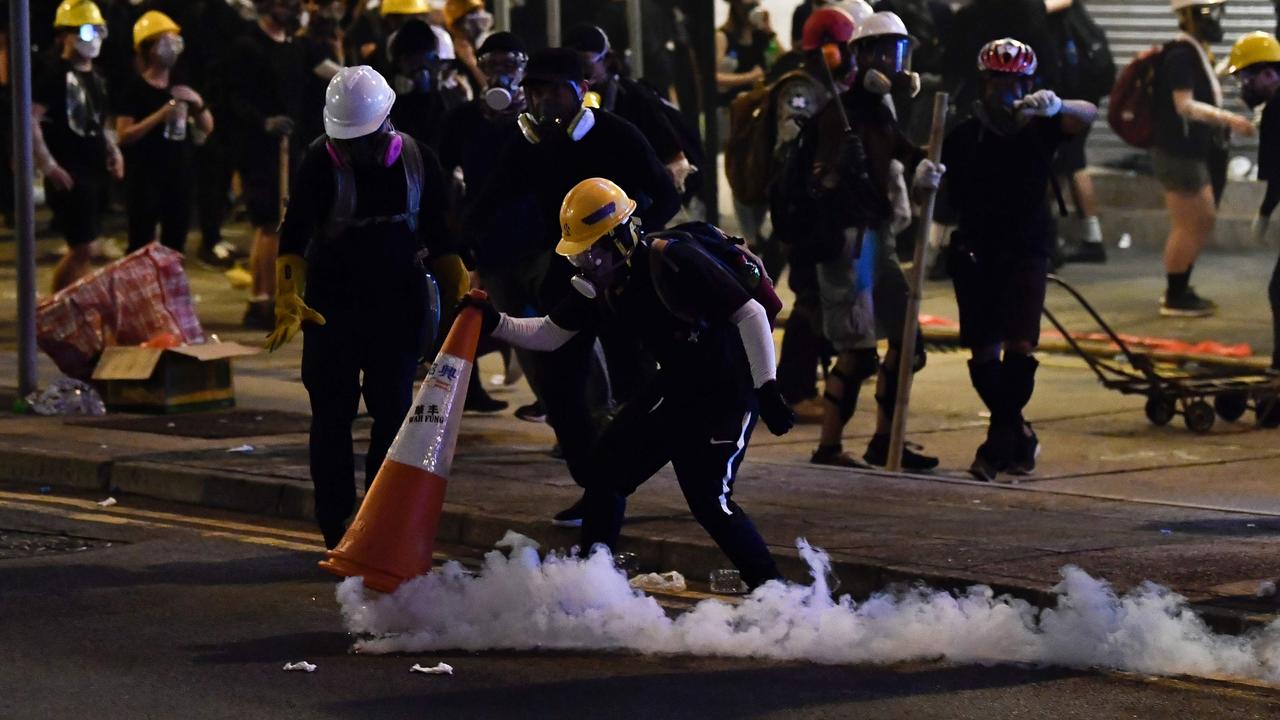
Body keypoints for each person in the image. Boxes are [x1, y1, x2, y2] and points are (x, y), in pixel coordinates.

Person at [464, 178, 795, 590]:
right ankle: (591, 585)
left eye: (591, 251)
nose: (584, 263)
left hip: (726, 391)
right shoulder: (606, 283)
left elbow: (749, 314)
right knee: (605, 472)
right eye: (578, 254)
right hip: (676, 385)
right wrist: (493, 320)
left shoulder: (675, 260)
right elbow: (550, 334)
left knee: (710, 501)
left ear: (619, 239)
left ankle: (776, 595)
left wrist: (767, 387)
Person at [464, 47, 680, 526]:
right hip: (569, 281)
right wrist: (454, 249)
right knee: (562, 391)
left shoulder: (618, 135)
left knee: (642, 388)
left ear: (580, 92)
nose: (542, 102)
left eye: (553, 90)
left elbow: (666, 193)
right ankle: (596, 490)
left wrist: (632, 244)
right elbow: (490, 199)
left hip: (627, 283)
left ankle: (699, 479)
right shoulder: (529, 146)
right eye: (534, 91)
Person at [266, 66, 467, 549]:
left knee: (394, 414)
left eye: (364, 139)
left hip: (396, 307)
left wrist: (458, 286)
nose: (355, 150)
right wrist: (289, 291)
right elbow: (293, 234)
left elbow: (441, 235)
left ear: (387, 123)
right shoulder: (320, 161)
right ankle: (336, 528)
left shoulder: (420, 161)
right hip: (331, 308)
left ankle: (378, 523)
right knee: (332, 417)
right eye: (346, 141)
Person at [939, 38, 1097, 481]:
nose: (1007, 90)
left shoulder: (1041, 126)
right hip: (976, 251)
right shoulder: (964, 133)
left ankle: (996, 444)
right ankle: (1016, 433)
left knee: (1020, 345)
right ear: (984, 81)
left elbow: (1088, 115)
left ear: (1031, 81)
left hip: (1027, 248)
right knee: (982, 351)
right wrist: (922, 185)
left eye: (1017, 81)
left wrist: (1058, 103)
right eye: (998, 80)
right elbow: (936, 178)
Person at [802, 11, 940, 470]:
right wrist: (837, 171)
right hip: (848, 243)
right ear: (859, 56)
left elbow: (902, 148)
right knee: (858, 354)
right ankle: (829, 448)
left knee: (907, 344)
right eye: (881, 51)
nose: (892, 62)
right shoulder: (835, 115)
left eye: (897, 51)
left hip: (878, 237)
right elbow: (816, 184)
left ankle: (886, 441)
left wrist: (925, 164)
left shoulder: (880, 110)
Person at [769, 3, 868, 420]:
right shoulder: (802, 88)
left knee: (823, 296)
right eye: (845, 47)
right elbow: (794, 145)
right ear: (828, 49)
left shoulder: (829, 86)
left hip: (823, 208)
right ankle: (794, 389)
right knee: (809, 297)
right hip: (805, 208)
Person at [436, 30, 530, 413]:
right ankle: (467, 387)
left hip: (533, 233)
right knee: (479, 313)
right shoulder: (461, 118)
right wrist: (455, 227)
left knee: (530, 317)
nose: (501, 76)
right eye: (492, 66)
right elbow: (443, 171)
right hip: (484, 234)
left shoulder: (536, 118)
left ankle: (550, 398)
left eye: (511, 66)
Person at [1152, 0, 1255, 317]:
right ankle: (1175, 295)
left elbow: (1206, 85)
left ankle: (1181, 285)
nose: (1216, 20)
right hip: (1179, 153)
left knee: (1200, 220)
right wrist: (1229, 119)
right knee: (1191, 222)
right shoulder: (1181, 55)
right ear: (1188, 17)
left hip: (1192, 151)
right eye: (1208, 13)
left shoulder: (1196, 52)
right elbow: (1185, 105)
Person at [224, 0, 307, 329]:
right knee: (269, 223)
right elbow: (233, 97)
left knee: (281, 223)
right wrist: (263, 122)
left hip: (289, 145)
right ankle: (261, 298)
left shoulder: (294, 47)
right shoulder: (247, 47)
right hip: (260, 149)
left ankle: (274, 295)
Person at [34, 0, 124, 292]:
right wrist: (49, 165)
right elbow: (30, 120)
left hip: (93, 167)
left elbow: (100, 121)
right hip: (70, 169)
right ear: (63, 35)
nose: (94, 38)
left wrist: (113, 151)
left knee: (89, 246)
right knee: (81, 247)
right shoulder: (53, 72)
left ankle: (71, 309)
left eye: (99, 31)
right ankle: (54, 308)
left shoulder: (96, 76)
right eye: (86, 31)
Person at [115, 11, 214, 253]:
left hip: (179, 173)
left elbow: (207, 127)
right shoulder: (134, 88)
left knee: (175, 242)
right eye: (164, 40)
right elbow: (124, 135)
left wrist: (197, 103)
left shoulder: (180, 84)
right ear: (149, 48)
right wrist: (160, 115)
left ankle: (170, 290)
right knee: (141, 243)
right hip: (145, 177)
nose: (171, 47)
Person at [1227, 32, 1280, 368]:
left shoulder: (1276, 109)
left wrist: (1264, 212)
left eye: (1247, 77)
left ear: (1269, 74)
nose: (1245, 86)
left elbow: (1277, 173)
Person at [387, 19, 450, 144]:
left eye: (428, 60)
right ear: (398, 63)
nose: (421, 71)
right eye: (413, 62)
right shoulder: (385, 102)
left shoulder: (445, 99)